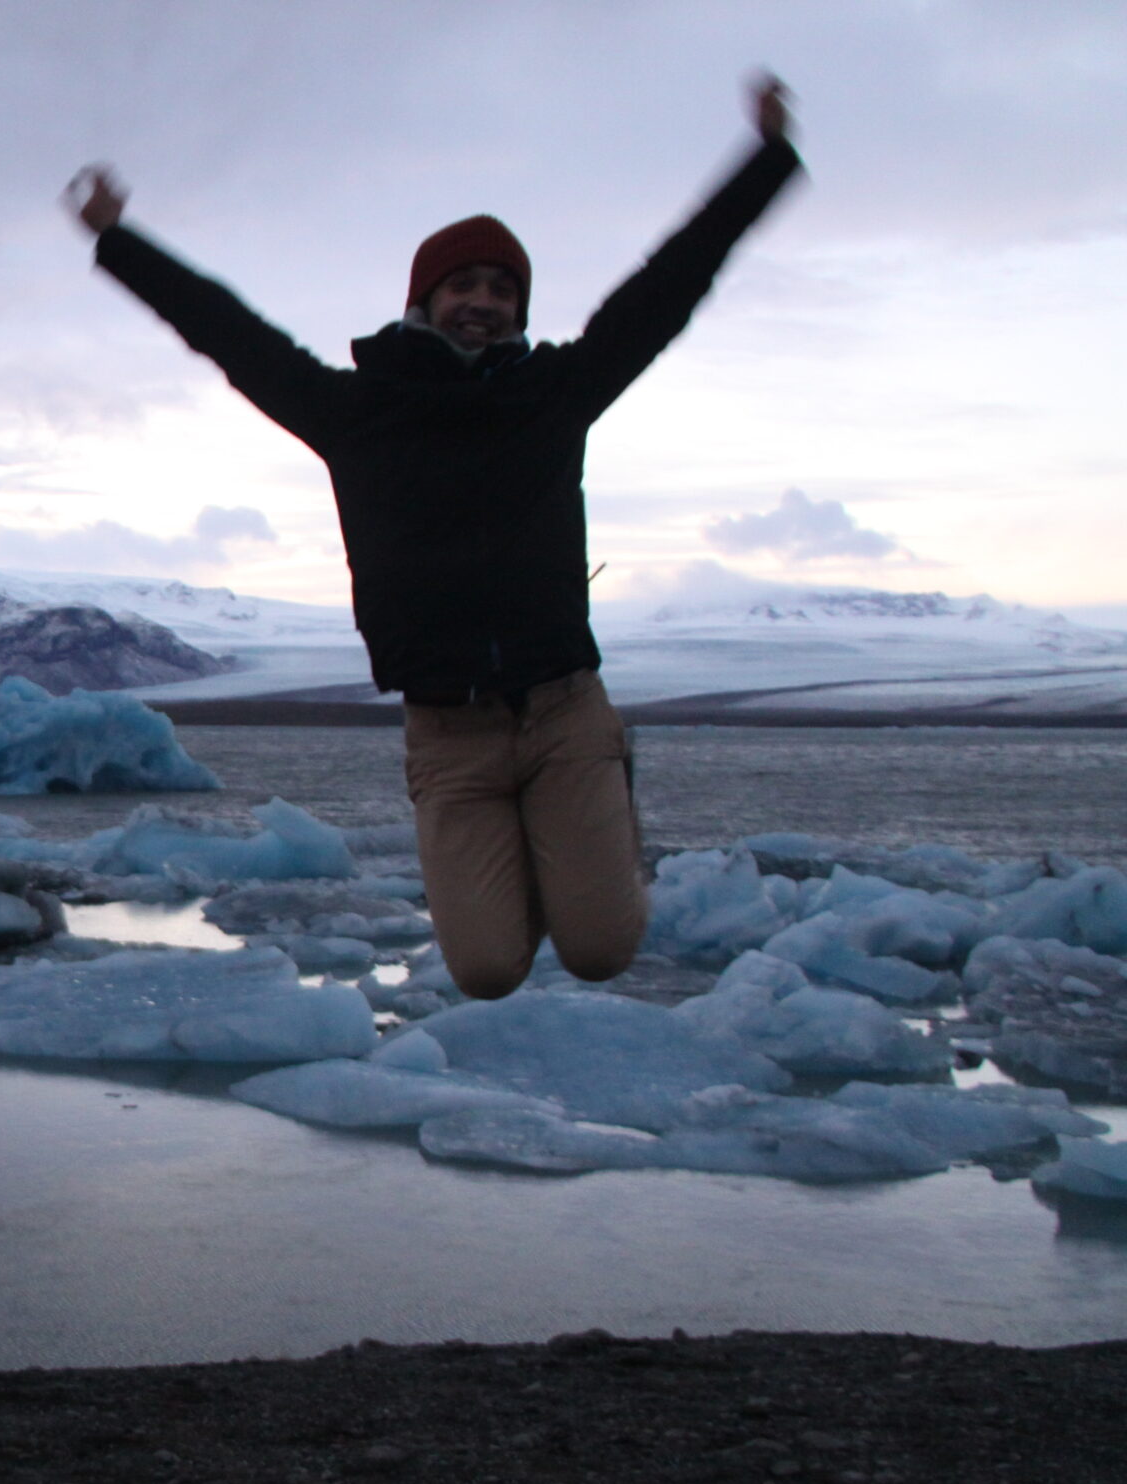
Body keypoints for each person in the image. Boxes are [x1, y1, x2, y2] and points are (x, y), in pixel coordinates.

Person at [69, 76, 802, 1000]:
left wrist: (765, 162)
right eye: (465, 285)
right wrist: (118, 240)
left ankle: (597, 818)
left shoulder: (555, 394)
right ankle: (554, 863)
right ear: (425, 299)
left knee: (602, 949)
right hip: (448, 733)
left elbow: (666, 289)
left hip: (563, 710)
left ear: (521, 310)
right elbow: (229, 335)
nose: (484, 303)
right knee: (489, 968)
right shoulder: (354, 410)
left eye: (503, 289)